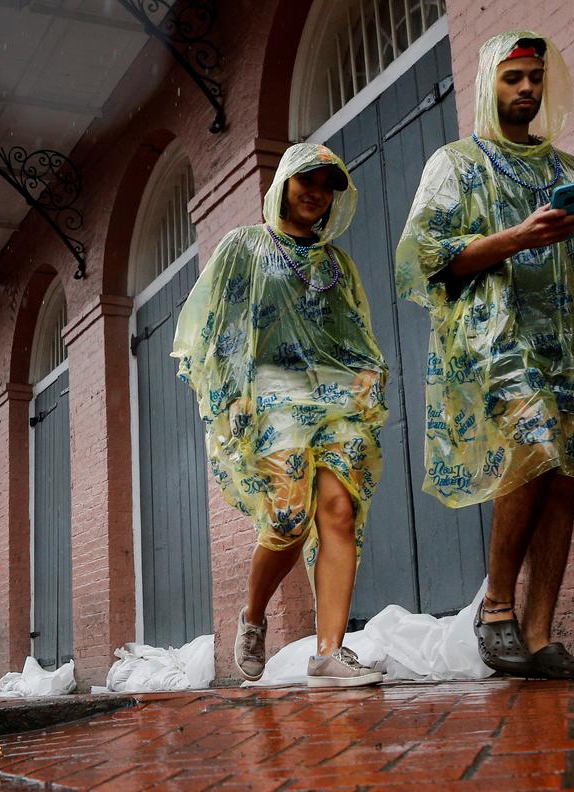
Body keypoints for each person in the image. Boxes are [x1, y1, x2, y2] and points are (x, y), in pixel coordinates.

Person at [395, 32, 574, 680]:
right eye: (513, 78)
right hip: (496, 336)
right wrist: (516, 237)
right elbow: (427, 257)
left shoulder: (569, 171)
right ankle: (496, 610)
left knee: (562, 476)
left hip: (567, 342)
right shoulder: (455, 163)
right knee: (534, 447)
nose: (526, 89)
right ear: (490, 83)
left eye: (535, 78)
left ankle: (541, 637)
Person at [173, 143, 390, 688]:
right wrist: (232, 393)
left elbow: (355, 331)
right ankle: (253, 616)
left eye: (327, 183)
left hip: (336, 397)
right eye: (306, 179)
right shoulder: (244, 246)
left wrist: (369, 374)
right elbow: (216, 326)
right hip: (270, 390)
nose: (316, 191)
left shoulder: (336, 264)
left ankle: (329, 651)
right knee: (290, 521)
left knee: (339, 511)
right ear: (284, 184)